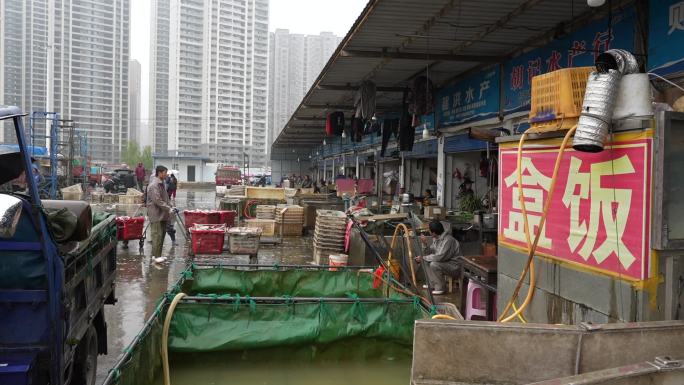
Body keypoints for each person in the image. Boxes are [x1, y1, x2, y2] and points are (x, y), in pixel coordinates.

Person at [415, 220, 461, 295]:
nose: (428, 232)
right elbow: (430, 252)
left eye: (429, 230)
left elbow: (440, 257)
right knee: (424, 260)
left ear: (433, 232)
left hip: (454, 266)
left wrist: (424, 257)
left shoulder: (448, 240)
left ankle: (441, 287)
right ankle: (432, 283)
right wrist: (424, 244)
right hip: (444, 263)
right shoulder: (436, 239)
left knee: (434, 264)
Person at [147, 165, 174, 264]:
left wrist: (171, 206)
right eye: (165, 172)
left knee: (162, 235)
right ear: (160, 173)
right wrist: (168, 208)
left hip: (162, 214)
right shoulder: (154, 185)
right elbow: (157, 200)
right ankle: (155, 256)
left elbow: (165, 198)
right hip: (156, 214)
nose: (166, 174)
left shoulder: (161, 183)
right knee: (156, 235)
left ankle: (158, 255)